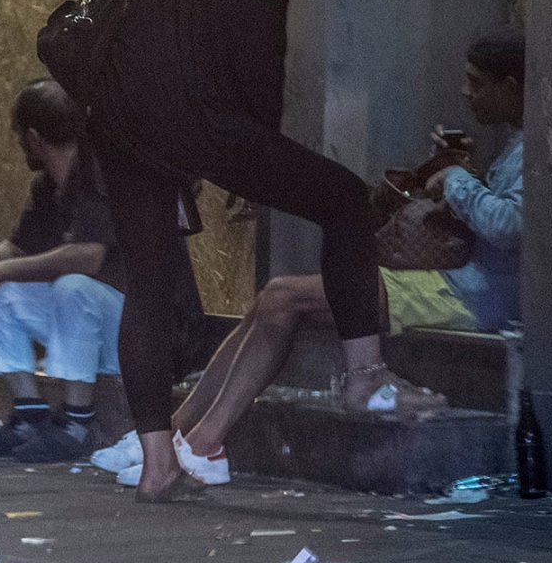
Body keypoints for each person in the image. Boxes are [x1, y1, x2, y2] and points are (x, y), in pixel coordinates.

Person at [89, 0, 433, 500]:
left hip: (122, 122)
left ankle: (159, 465)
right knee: (344, 199)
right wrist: (254, 168)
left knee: (149, 288)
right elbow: (259, 73)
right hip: (204, 126)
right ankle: (366, 378)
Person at [96, 29, 525, 487]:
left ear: (513, 87)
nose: (466, 92)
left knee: (284, 298)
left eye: (478, 82)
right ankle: (181, 431)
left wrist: (458, 181)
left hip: (474, 297)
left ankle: (206, 443)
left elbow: (511, 225)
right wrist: (450, 168)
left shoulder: (537, 150)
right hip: (454, 281)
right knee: (271, 298)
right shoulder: (513, 143)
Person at [0, 80, 129, 462]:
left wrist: (0, 270)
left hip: (134, 327)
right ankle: (29, 414)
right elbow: (17, 249)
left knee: (72, 285)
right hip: (87, 321)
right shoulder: (48, 185)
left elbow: (88, 256)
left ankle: (78, 423)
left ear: (32, 137)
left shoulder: (100, 172)